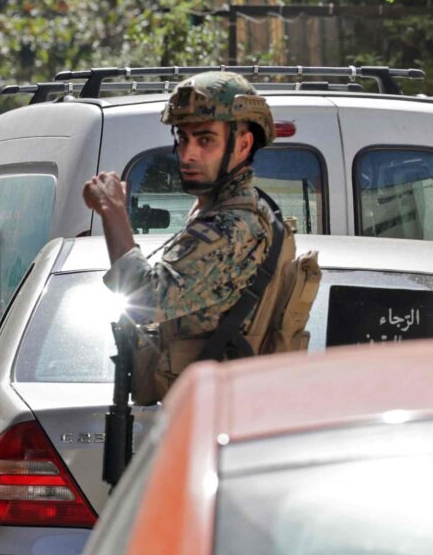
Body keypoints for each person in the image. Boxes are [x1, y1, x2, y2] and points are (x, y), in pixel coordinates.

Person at [81, 71, 289, 402]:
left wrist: (113, 212)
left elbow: (145, 302)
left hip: (222, 415)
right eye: (183, 139)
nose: (187, 154)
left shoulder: (233, 227)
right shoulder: (223, 212)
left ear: (243, 144)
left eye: (205, 140)